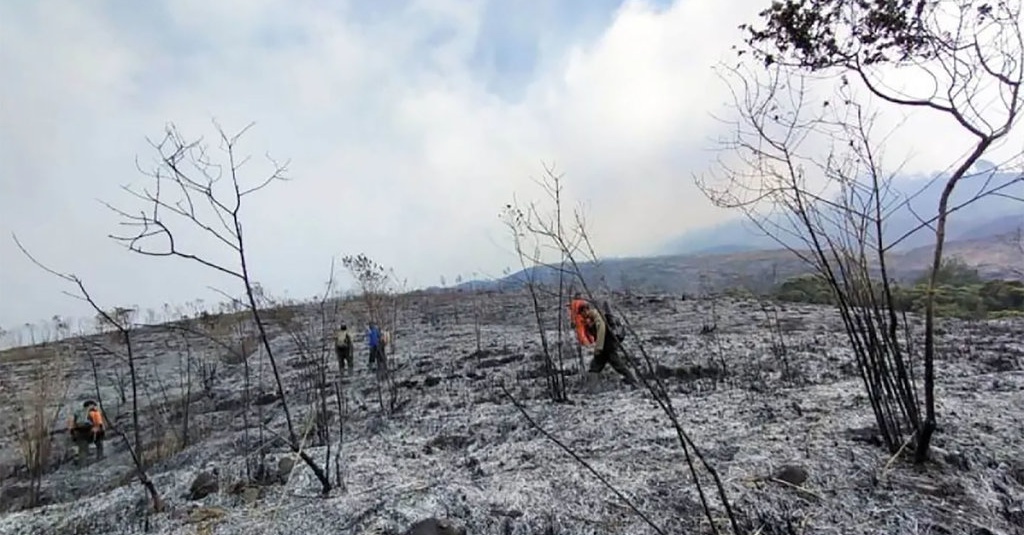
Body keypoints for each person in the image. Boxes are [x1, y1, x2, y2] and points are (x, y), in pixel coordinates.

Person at [578, 301, 638, 386]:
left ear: (585, 310)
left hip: (608, 345)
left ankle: (633, 380)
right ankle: (592, 385)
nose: (582, 316)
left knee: (617, 364)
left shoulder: (597, 316)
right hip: (605, 346)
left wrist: (598, 348)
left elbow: (601, 331)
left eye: (582, 313)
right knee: (595, 366)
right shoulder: (592, 319)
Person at [68, 400, 106, 464]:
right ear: (92, 405)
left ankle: (82, 465)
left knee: (83, 450)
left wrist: (73, 435)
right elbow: (100, 424)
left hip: (79, 433)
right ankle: (100, 457)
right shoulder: (94, 412)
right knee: (99, 443)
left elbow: (72, 426)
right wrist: (102, 433)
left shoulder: (78, 413)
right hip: (91, 433)